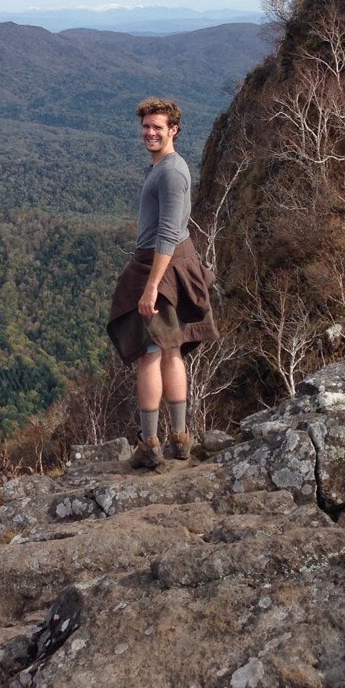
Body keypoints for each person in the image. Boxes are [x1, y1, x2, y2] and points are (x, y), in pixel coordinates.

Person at [107, 97, 218, 469]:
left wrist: (152, 285)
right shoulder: (166, 167)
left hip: (161, 265)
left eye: (158, 127)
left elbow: (169, 233)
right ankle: (180, 438)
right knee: (170, 350)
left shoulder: (172, 172)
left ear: (174, 130)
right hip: (170, 263)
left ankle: (151, 443)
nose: (150, 133)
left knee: (151, 353)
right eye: (146, 127)